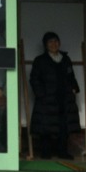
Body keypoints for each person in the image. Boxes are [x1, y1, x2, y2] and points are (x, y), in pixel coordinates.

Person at [29, 31, 80, 159]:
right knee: (46, 127)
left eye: (56, 41)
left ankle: (63, 151)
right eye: (50, 42)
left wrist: (74, 88)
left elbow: (71, 76)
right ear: (46, 45)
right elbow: (34, 79)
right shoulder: (40, 60)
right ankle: (46, 152)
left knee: (64, 126)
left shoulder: (65, 59)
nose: (54, 44)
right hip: (47, 99)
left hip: (64, 98)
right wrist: (41, 95)